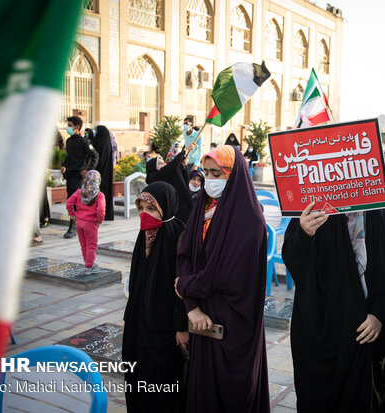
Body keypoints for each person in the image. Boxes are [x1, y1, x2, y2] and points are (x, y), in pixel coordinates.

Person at [281, 192, 385, 412]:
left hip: (365, 331)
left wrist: (380, 314)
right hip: (320, 327)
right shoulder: (315, 196)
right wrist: (304, 233)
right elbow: (293, 259)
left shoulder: (381, 196)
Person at [174, 145, 270, 413]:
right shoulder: (202, 209)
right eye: (206, 173)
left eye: (217, 174)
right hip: (203, 317)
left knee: (233, 394)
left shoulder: (249, 221)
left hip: (233, 323)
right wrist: (191, 306)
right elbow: (184, 256)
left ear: (234, 174)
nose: (210, 181)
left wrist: (184, 286)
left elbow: (222, 275)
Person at [122, 182, 189, 413]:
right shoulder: (145, 235)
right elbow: (138, 281)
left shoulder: (178, 236)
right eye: (141, 208)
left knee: (163, 385)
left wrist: (181, 327)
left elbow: (181, 288)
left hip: (166, 329)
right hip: (139, 324)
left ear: (166, 208)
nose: (144, 214)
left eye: (151, 209)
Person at [61, 116, 99, 238]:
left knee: (75, 201)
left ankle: (73, 227)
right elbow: (69, 157)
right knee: (70, 200)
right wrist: (63, 165)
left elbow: (95, 156)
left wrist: (88, 170)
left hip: (78, 176)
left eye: (70, 125)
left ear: (77, 127)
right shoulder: (69, 141)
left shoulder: (84, 142)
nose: (68, 127)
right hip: (70, 175)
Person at [146, 142, 196, 224]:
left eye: (163, 163)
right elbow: (171, 166)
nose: (163, 164)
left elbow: (183, 182)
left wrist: (184, 166)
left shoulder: (167, 173)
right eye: (159, 163)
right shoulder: (154, 177)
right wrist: (185, 151)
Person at [65, 170, 106, 272]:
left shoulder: (79, 192)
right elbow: (101, 210)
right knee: (91, 245)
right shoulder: (99, 195)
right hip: (91, 223)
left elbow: (68, 203)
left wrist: (72, 215)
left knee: (83, 244)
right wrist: (99, 220)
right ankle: (89, 266)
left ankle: (87, 262)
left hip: (79, 222)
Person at [92, 125, 115, 221]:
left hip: (100, 173)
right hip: (106, 174)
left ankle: (98, 214)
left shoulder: (99, 143)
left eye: (96, 131)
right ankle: (105, 214)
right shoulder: (106, 143)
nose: (94, 133)